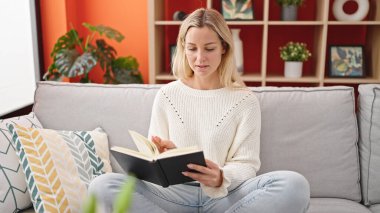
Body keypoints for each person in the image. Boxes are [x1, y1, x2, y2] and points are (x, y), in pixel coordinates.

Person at [88, 8, 310, 213]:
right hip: (172, 194)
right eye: (192, 49)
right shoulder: (168, 95)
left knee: (294, 185)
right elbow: (152, 161)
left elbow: (247, 164)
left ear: (224, 47)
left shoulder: (244, 100)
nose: (200, 58)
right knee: (102, 185)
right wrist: (166, 156)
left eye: (209, 48)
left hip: (224, 196)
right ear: (183, 48)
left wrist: (221, 177)